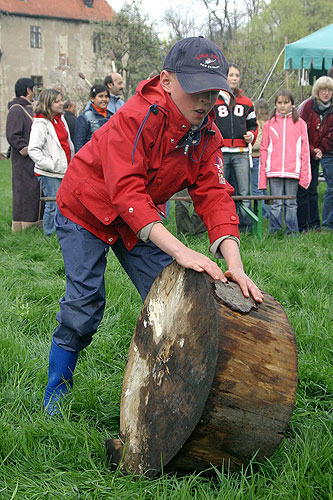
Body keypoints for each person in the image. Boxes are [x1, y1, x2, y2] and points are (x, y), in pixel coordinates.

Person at [43, 36, 263, 416]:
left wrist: (236, 267)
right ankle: (56, 395)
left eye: (213, 91)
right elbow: (125, 189)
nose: (206, 101)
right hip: (86, 209)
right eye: (196, 90)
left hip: (137, 218)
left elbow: (215, 195)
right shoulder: (136, 116)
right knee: (85, 303)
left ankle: (169, 395)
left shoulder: (206, 134)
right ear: (166, 80)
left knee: (175, 300)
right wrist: (179, 249)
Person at [259, 90, 311, 235]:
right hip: (274, 170)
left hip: (292, 171)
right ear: (275, 105)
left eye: (286, 102)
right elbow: (264, 150)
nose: (282, 106)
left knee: (291, 204)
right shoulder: (269, 124)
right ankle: (275, 232)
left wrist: (305, 175)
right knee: (276, 204)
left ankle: (292, 232)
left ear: (292, 104)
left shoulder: (300, 124)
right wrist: (262, 178)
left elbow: (305, 150)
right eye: (279, 102)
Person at [214, 64, 258, 233]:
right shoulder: (214, 100)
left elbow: (253, 125)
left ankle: (246, 227)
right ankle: (221, 226)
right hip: (221, 153)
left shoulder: (246, 102)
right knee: (220, 190)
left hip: (240, 153)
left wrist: (251, 136)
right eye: (231, 75)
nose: (234, 78)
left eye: (236, 75)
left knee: (244, 191)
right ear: (224, 77)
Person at [28, 89, 74, 236]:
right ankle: (50, 234)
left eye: (61, 100)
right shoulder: (40, 123)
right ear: (48, 104)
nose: (61, 103)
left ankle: (62, 233)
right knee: (53, 204)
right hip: (49, 172)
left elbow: (67, 143)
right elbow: (33, 150)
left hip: (64, 169)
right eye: (57, 101)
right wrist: (51, 164)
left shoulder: (60, 119)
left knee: (64, 203)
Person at [6, 77, 43, 232]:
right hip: (23, 163)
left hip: (34, 161)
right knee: (25, 193)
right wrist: (25, 148)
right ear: (28, 90)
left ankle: (37, 225)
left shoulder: (30, 108)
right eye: (33, 89)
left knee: (35, 192)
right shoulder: (16, 109)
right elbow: (12, 135)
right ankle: (24, 228)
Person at [298, 76, 333, 232]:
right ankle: (305, 225)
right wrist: (312, 150)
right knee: (306, 188)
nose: (326, 93)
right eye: (323, 90)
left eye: (329, 90)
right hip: (306, 152)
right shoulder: (307, 106)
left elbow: (331, 133)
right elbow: (301, 130)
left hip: (324, 152)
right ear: (317, 91)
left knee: (321, 189)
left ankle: (318, 225)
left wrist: (321, 149)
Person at [74, 84, 112, 152]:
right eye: (100, 96)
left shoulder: (112, 116)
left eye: (106, 96)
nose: (104, 99)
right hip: (92, 159)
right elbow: (79, 144)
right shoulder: (84, 117)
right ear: (92, 98)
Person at [250, 98, 270, 219]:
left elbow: (258, 143)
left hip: (257, 158)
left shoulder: (259, 124)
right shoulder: (268, 122)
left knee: (256, 188)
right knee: (263, 188)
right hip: (263, 158)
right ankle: (266, 212)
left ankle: (264, 214)